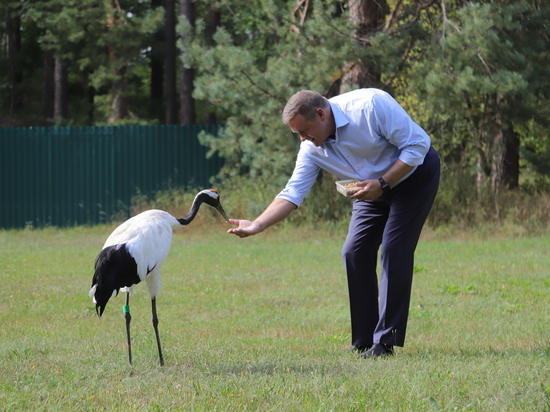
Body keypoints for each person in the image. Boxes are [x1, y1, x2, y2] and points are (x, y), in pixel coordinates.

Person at [227, 88, 440, 358]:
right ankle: (364, 340)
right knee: (354, 251)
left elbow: (418, 145)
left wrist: (384, 183)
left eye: (305, 131)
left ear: (320, 114)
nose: (303, 139)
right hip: (368, 188)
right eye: (298, 134)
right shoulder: (311, 148)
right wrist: (257, 224)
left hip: (413, 175)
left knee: (394, 249)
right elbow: (292, 193)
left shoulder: (370, 106)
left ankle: (385, 342)